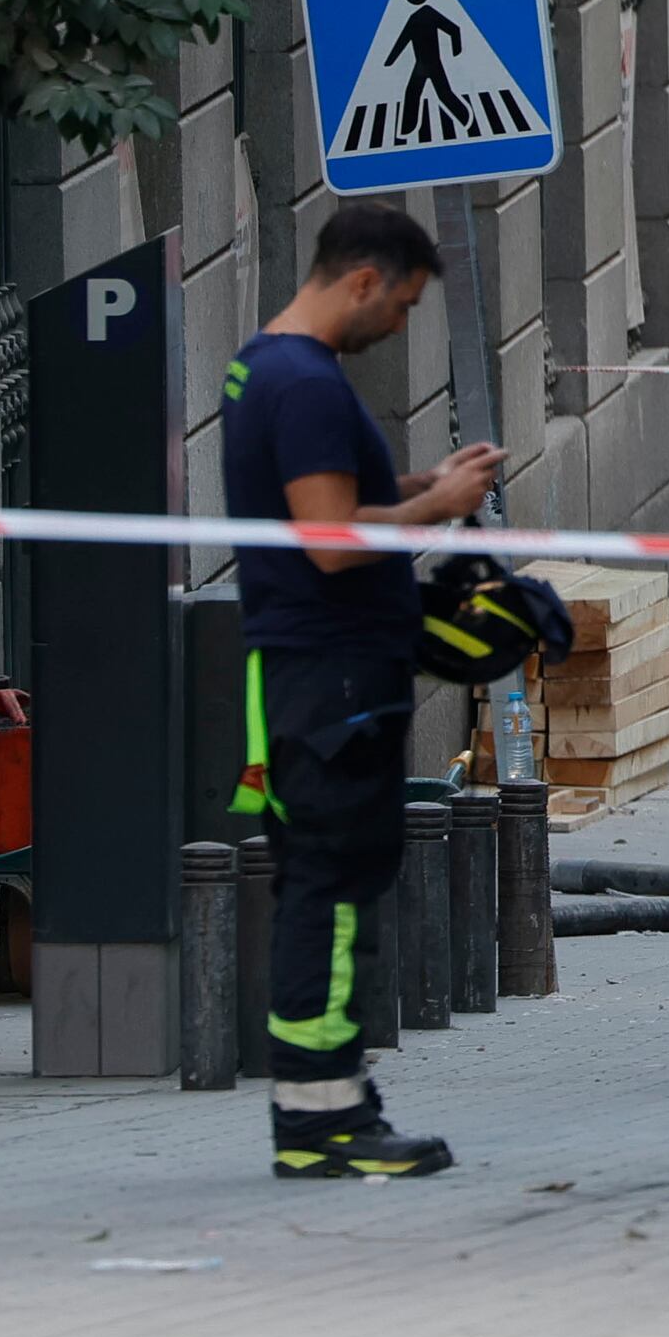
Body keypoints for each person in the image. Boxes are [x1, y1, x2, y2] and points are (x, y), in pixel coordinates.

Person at [222, 203, 501, 1177]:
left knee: (323, 889)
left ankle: (328, 1106)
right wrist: (437, 507)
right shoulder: (302, 383)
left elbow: (323, 501)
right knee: (330, 898)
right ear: (363, 280)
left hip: (312, 675)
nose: (400, 327)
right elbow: (333, 542)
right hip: (332, 680)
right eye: (404, 306)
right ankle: (321, 1123)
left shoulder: (265, 364)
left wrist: (422, 480)